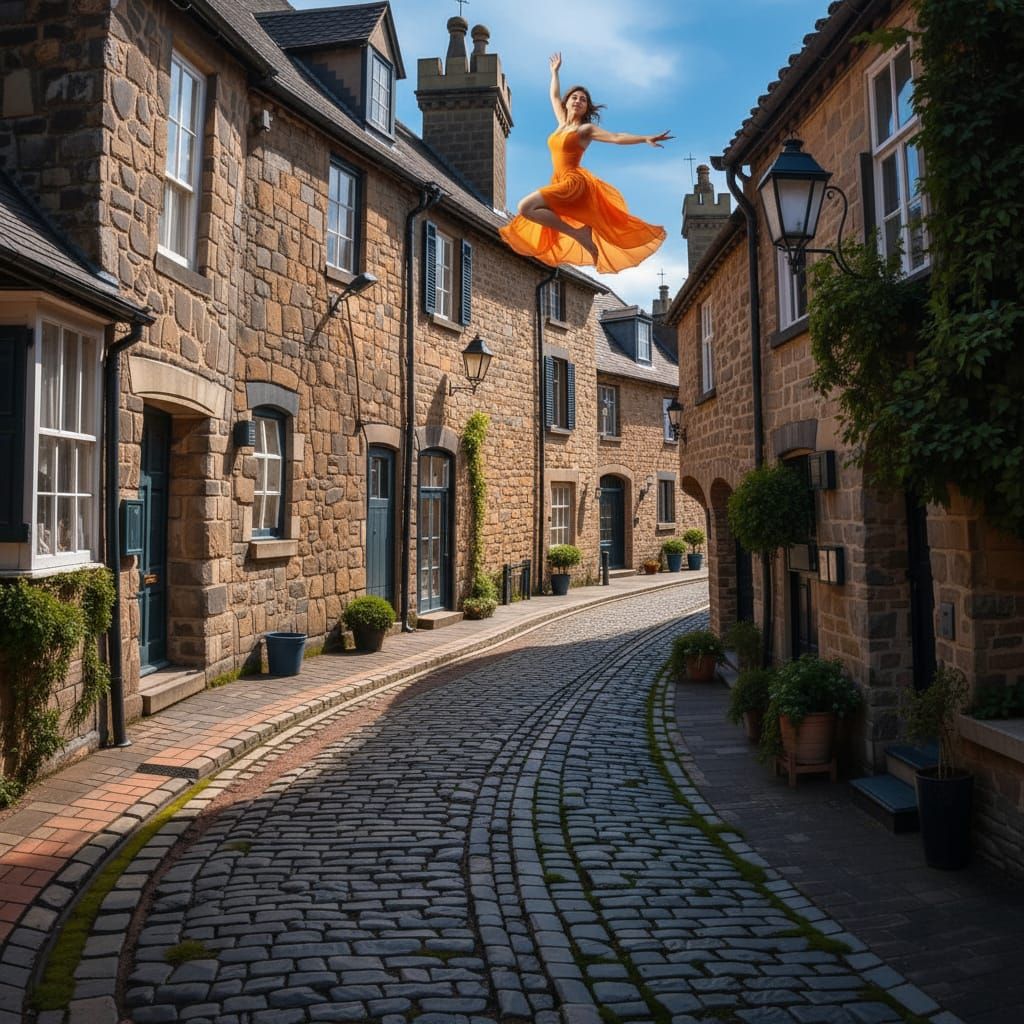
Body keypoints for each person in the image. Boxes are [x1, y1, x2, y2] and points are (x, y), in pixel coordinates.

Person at [499, 53, 672, 273]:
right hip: (559, 180)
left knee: (525, 207)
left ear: (586, 107)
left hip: (573, 182)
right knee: (529, 210)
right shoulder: (561, 123)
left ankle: (579, 233)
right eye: (575, 97)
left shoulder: (585, 130)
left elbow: (617, 137)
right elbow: (553, 96)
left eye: (583, 100)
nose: (578, 101)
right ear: (568, 102)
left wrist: (645, 138)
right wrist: (554, 72)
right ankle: (579, 233)